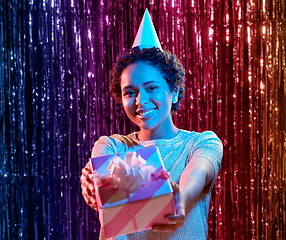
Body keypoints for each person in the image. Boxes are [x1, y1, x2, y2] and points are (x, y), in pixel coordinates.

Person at [80, 10, 223, 240]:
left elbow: (198, 171)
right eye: (130, 92)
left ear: (174, 92)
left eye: (151, 88)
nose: (140, 101)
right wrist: (95, 181)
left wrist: (181, 199)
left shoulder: (201, 143)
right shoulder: (112, 146)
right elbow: (110, 208)